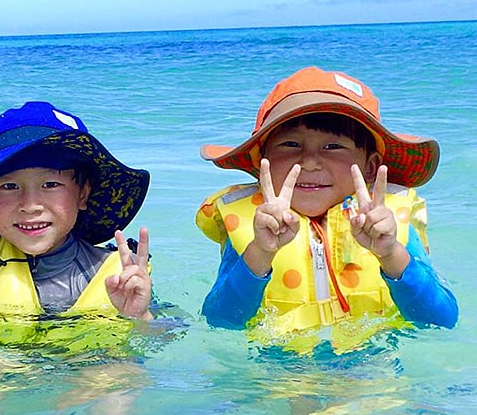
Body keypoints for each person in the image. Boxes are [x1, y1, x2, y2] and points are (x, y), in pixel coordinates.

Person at [196, 67, 458, 355]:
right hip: (278, 373)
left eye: (333, 146)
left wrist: (390, 253)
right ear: (262, 165)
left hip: (373, 364)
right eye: (291, 144)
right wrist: (261, 251)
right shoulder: (254, 231)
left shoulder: (389, 224)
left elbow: (441, 320)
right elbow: (220, 320)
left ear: (370, 167)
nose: (310, 162)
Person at [0, 101, 159, 352]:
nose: (30, 205)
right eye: (9, 186)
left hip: (91, 372)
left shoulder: (118, 279)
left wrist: (141, 316)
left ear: (82, 195)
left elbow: (167, 337)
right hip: (4, 378)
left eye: (50, 184)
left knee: (116, 374)